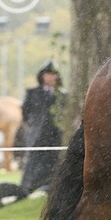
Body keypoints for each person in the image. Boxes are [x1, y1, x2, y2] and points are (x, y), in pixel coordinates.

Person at [20, 60, 66, 194]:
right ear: (42, 76)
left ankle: (51, 186)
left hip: (56, 134)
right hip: (37, 134)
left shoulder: (63, 95)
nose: (50, 77)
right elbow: (25, 112)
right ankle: (27, 187)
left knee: (54, 160)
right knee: (33, 161)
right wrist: (33, 125)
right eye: (47, 74)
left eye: (53, 74)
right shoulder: (32, 93)